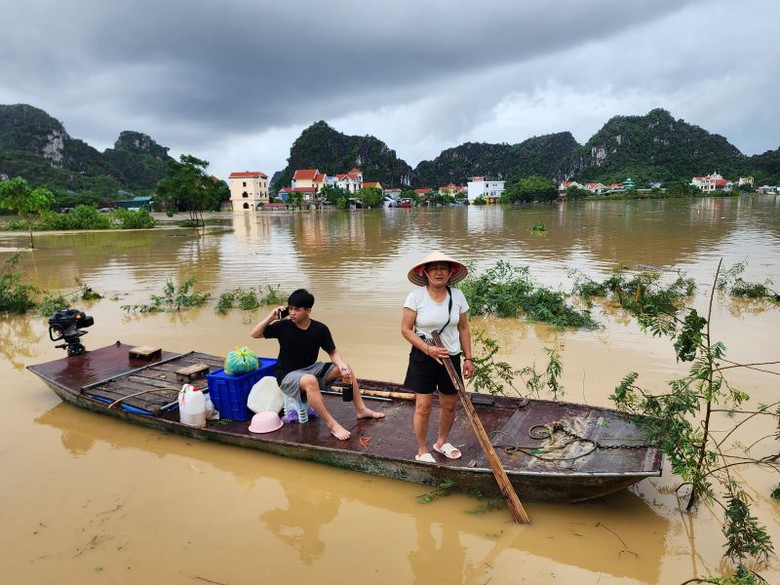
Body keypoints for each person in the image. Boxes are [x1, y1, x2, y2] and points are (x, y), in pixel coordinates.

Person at [250, 288, 384, 440]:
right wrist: (271, 317)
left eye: (297, 309)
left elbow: (333, 352)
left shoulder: (320, 329)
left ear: (308, 311)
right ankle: (332, 425)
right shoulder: (283, 326)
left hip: (310, 370)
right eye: (291, 308)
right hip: (287, 375)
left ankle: (361, 410)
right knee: (310, 380)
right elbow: (255, 334)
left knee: (346, 369)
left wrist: (341, 364)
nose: (292, 313)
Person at [401, 251, 473, 463]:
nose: (439, 272)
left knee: (449, 404)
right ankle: (422, 450)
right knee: (423, 406)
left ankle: (441, 443)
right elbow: (406, 330)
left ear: (450, 273)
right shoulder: (416, 297)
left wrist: (469, 358)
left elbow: (463, 328)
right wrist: (427, 349)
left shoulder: (457, 296)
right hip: (424, 357)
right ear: (425, 273)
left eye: (443, 268)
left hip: (451, 357)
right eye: (434, 268)